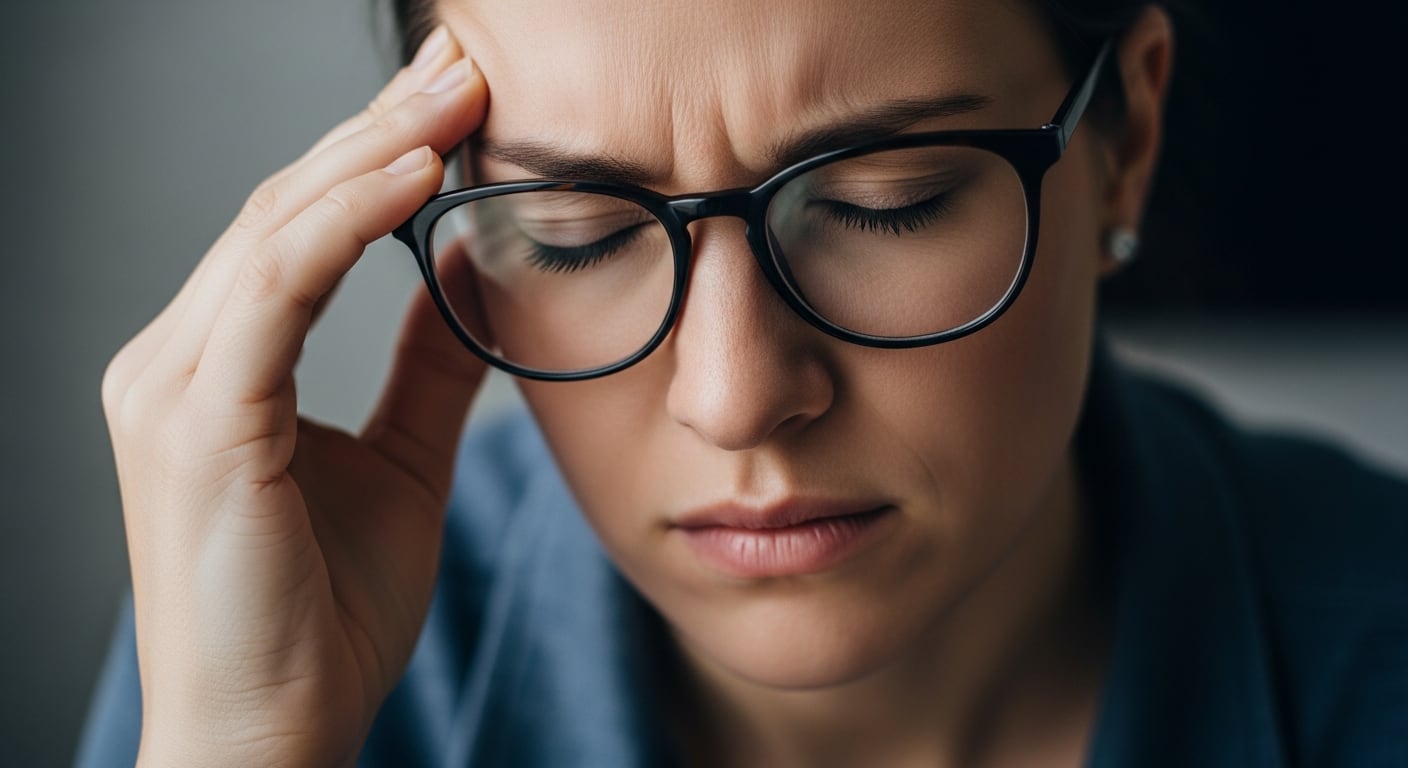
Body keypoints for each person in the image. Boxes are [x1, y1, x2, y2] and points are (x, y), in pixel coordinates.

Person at [77, 1, 1407, 766]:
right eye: (576, 232)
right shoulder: (259, 648)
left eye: (890, 203)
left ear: (1131, 136)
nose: (731, 395)